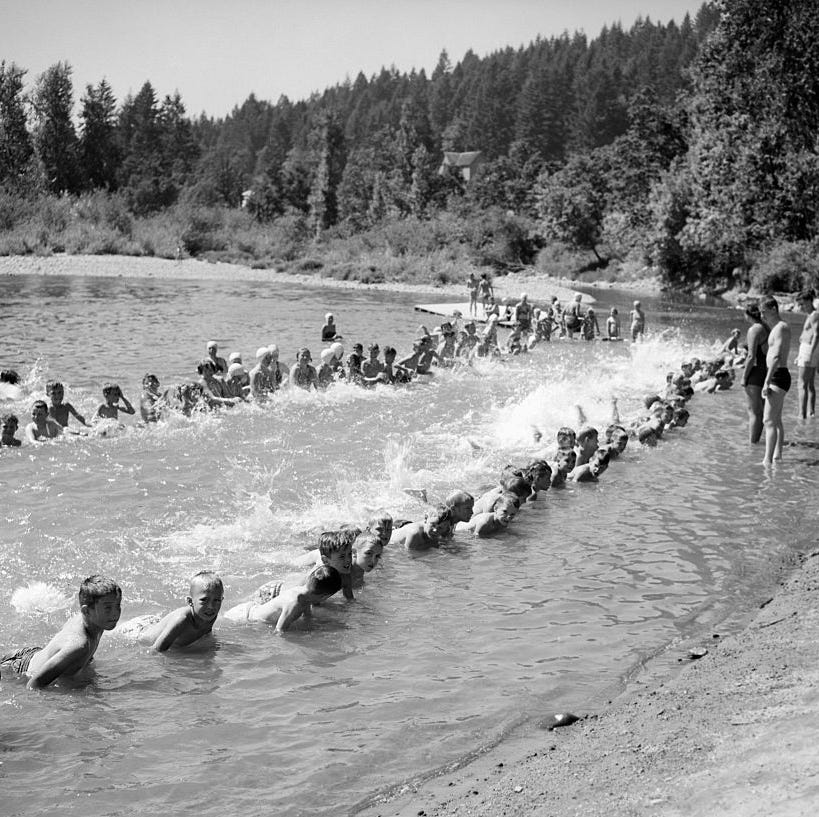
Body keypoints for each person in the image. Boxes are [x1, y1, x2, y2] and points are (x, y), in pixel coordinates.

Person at [1, 575, 121, 689]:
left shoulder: (97, 622)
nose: (115, 613)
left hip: (34, 655)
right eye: (108, 608)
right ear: (86, 611)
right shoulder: (79, 645)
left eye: (118, 605)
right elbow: (35, 683)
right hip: (19, 667)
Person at [122, 571, 223, 651]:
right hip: (136, 630)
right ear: (190, 601)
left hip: (156, 623)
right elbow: (156, 650)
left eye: (217, 600)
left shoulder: (210, 615)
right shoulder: (181, 620)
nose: (211, 606)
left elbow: (206, 634)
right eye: (204, 600)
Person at [223, 565, 342, 631]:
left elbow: (308, 618)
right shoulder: (295, 603)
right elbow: (279, 630)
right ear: (324, 597)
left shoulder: (304, 596)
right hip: (244, 618)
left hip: (250, 609)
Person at [760, 296, 792, 465]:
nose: (763, 316)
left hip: (777, 376)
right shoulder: (779, 327)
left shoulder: (780, 328)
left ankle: (767, 461)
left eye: (764, 312)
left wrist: (766, 381)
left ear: (773, 309)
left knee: (768, 420)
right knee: (776, 419)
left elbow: (777, 356)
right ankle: (777, 456)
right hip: (779, 375)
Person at [740, 303, 769, 444]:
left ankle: (752, 445)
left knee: (753, 412)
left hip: (755, 373)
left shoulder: (754, 330)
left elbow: (751, 357)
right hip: (765, 370)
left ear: (747, 315)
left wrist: (744, 377)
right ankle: (756, 443)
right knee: (761, 412)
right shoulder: (766, 327)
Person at [794, 290, 819, 420]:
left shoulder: (814, 315)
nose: (800, 307)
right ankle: (811, 412)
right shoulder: (812, 315)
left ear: (809, 301)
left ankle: (801, 415)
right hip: (809, 350)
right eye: (799, 304)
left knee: (801, 384)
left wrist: (809, 354)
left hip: (808, 349)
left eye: (802, 304)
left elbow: (816, 334)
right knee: (809, 384)